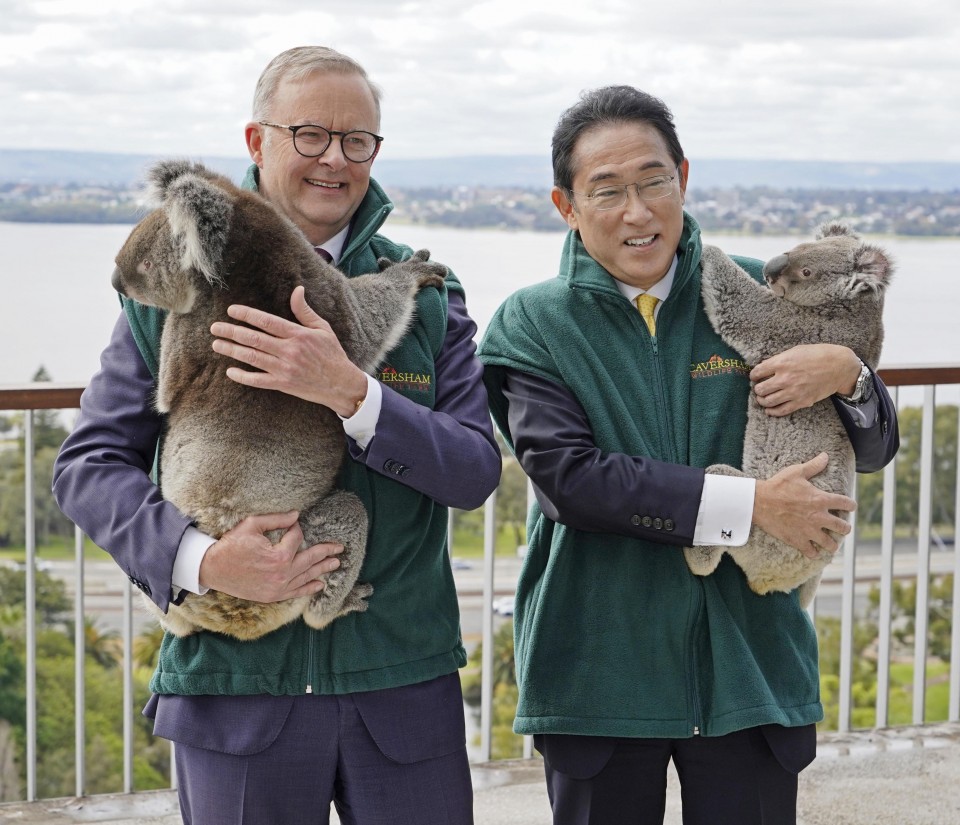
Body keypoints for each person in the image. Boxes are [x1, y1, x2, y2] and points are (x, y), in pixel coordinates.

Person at [53, 46, 501, 825]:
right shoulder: (175, 284)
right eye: (310, 133)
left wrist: (353, 393)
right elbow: (88, 466)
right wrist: (202, 559)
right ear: (257, 142)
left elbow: (471, 471)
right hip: (234, 694)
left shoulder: (425, 294)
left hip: (399, 687)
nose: (335, 157)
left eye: (357, 139)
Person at [477, 85, 899, 825]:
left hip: (751, 665)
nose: (637, 212)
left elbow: (873, 445)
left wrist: (851, 374)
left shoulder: (762, 289)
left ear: (684, 178)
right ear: (565, 204)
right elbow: (569, 481)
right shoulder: (533, 323)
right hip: (597, 670)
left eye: (654, 182)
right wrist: (754, 506)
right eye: (606, 191)